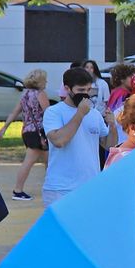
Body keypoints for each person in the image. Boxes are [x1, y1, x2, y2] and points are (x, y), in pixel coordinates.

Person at [42, 66, 115, 206]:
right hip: (61, 189)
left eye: (88, 90)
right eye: (81, 90)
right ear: (67, 88)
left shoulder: (94, 114)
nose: (86, 94)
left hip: (90, 187)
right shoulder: (54, 112)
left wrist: (112, 126)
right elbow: (59, 141)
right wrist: (80, 114)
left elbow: (109, 145)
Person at [0, 68, 49, 201]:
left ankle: (50, 185)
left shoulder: (25, 95)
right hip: (39, 132)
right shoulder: (40, 94)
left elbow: (14, 113)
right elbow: (48, 113)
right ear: (40, 81)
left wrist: (4, 128)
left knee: (49, 160)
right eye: (45, 79)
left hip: (27, 131)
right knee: (30, 161)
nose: (47, 82)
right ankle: (18, 190)